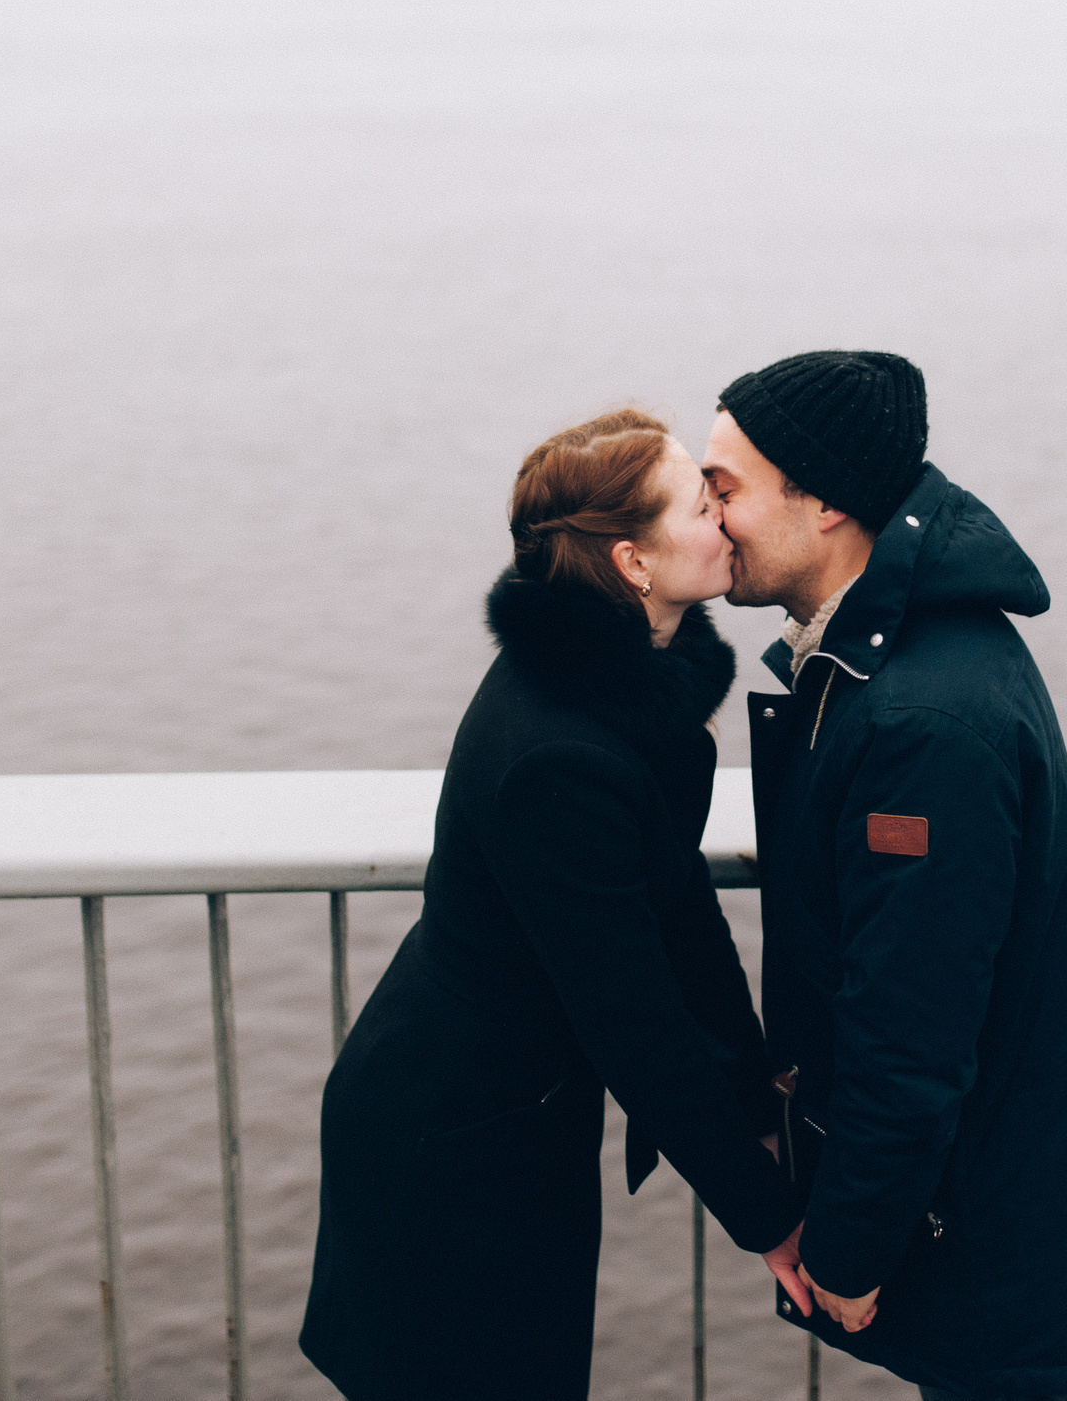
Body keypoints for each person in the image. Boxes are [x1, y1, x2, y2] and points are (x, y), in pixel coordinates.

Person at [301, 407, 813, 1400]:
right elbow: (633, 1018)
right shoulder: (559, 759)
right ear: (633, 560)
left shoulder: (629, 693)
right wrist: (769, 1214)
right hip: (449, 1144)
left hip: (511, 1115)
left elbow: (680, 915)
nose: (726, 520)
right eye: (701, 504)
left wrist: (755, 1106)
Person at [703, 351, 1067, 1401]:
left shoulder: (921, 723)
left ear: (828, 501)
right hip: (986, 1223)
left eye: (726, 488)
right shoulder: (904, 657)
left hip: (982, 1254)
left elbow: (910, 1025)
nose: (710, 519)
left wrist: (847, 1245)